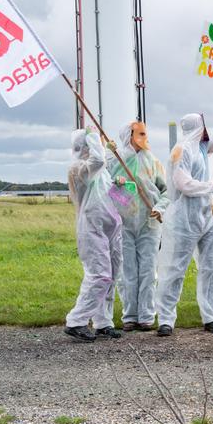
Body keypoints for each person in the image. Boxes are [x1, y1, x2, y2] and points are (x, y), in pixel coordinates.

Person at [154, 99, 213, 336]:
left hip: (207, 215)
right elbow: (183, 184)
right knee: (175, 268)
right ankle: (166, 319)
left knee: (210, 267)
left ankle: (211, 317)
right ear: (197, 127)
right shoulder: (181, 151)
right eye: (203, 125)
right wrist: (212, 186)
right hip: (184, 218)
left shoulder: (202, 148)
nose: (206, 129)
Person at [63, 128, 123, 341]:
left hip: (111, 228)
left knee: (112, 276)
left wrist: (122, 188)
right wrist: (94, 135)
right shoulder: (78, 169)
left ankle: (103, 322)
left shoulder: (102, 172)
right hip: (92, 229)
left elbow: (117, 199)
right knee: (100, 275)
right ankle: (76, 321)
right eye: (92, 143)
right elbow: (98, 161)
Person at [112, 121, 168, 331]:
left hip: (149, 221)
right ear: (129, 135)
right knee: (127, 270)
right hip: (123, 221)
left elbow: (166, 191)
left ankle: (146, 315)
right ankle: (130, 315)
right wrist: (116, 185)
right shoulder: (115, 159)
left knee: (148, 269)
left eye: (145, 133)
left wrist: (160, 208)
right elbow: (105, 187)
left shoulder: (152, 160)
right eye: (140, 133)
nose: (144, 137)